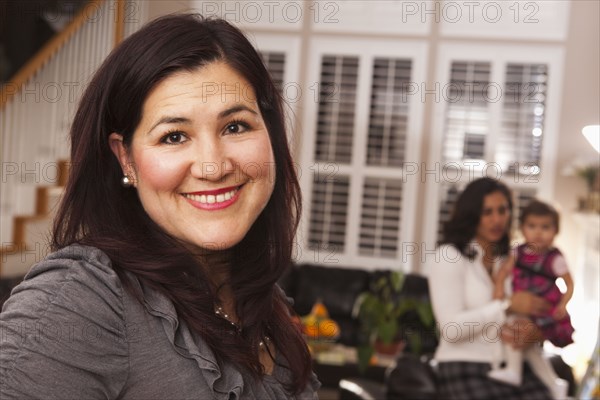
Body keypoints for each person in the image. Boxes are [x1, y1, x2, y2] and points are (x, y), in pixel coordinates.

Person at [0, 14, 319, 399]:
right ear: (126, 160)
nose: (213, 166)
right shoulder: (81, 301)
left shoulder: (267, 306)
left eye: (235, 127)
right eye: (174, 136)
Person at [428, 178, 555, 400]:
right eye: (487, 212)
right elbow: (450, 329)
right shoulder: (449, 256)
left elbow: (529, 314)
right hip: (464, 367)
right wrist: (505, 306)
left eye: (502, 210)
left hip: (513, 367)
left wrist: (533, 333)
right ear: (472, 215)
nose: (497, 220)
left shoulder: (510, 259)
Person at [488, 200, 573, 395]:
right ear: (522, 229)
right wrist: (499, 287)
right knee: (528, 347)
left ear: (555, 231)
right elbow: (503, 272)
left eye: (545, 227)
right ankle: (554, 384)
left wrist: (563, 304)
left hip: (544, 308)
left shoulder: (556, 258)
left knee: (516, 332)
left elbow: (569, 284)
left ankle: (514, 370)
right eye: (532, 226)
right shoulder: (517, 253)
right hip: (522, 306)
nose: (538, 233)